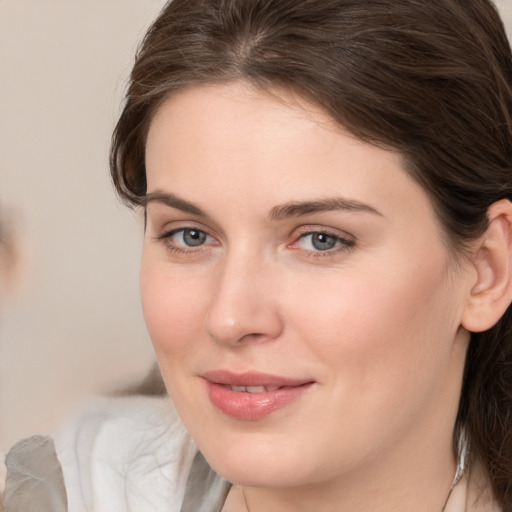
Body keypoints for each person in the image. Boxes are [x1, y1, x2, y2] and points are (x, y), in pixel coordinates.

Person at [3, 0, 512, 511]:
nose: (229, 318)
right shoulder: (70, 492)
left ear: (486, 271)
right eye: (190, 236)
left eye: (320, 240)